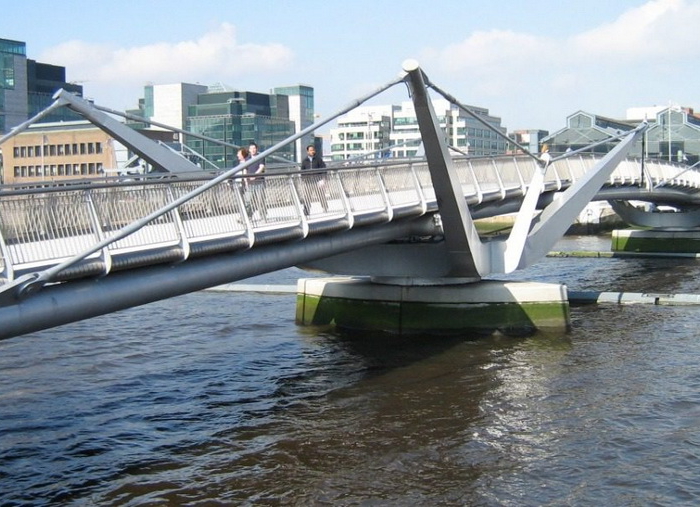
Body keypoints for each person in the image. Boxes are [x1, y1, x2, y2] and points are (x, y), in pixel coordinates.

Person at [300, 144, 327, 213]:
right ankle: (306, 210)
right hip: (308, 181)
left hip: (317, 181)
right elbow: (302, 171)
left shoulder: (318, 159)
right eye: (311, 150)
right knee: (307, 196)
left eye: (313, 150)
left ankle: (325, 207)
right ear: (308, 151)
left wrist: (323, 179)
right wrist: (303, 179)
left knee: (321, 195)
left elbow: (324, 168)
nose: (312, 151)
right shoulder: (305, 161)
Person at [247, 142, 267, 219]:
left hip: (259, 182)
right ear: (249, 150)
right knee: (249, 200)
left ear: (257, 149)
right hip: (250, 183)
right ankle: (249, 216)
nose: (253, 150)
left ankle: (263, 216)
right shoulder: (247, 159)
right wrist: (246, 180)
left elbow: (261, 167)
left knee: (261, 200)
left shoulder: (260, 157)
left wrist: (254, 175)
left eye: (254, 148)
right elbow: (245, 169)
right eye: (251, 148)